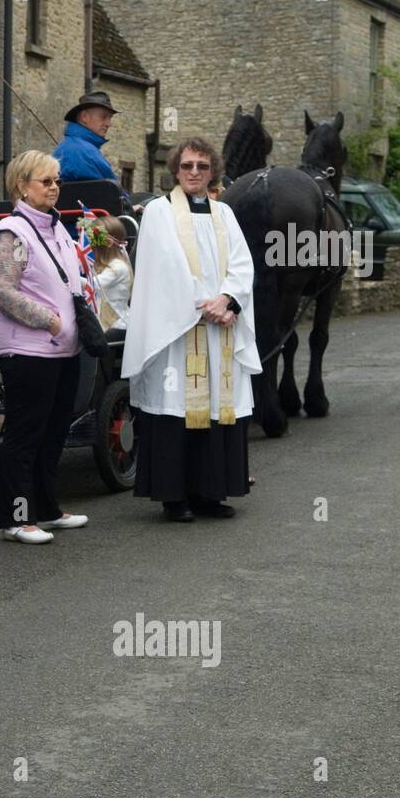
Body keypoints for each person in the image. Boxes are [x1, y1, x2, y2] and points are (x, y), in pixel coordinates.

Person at [122, 138, 259, 522]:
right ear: (175, 171)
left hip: (221, 328)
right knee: (177, 409)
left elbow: (242, 263)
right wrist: (205, 305)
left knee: (217, 408)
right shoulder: (158, 214)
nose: (194, 172)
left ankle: (210, 494)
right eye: (187, 166)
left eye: (202, 165)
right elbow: (160, 271)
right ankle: (174, 496)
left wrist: (229, 299)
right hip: (178, 334)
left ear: (212, 170)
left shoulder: (225, 214)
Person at [0, 150, 90, 544]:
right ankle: (15, 518)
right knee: (24, 437)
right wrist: (52, 320)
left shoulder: (56, 227)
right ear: (21, 186)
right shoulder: (13, 231)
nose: (54, 187)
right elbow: (1, 289)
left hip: (62, 351)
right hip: (27, 352)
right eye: (45, 181)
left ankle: (45, 509)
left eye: (57, 180)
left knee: (53, 434)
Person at [53, 91, 123, 189]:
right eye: (103, 117)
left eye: (110, 118)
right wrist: (128, 204)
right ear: (84, 117)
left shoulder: (71, 146)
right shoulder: (84, 152)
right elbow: (112, 194)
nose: (108, 123)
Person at [88, 214, 132, 330]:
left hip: (117, 324)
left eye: (92, 243)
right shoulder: (110, 264)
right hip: (107, 322)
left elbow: (93, 285)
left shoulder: (117, 267)